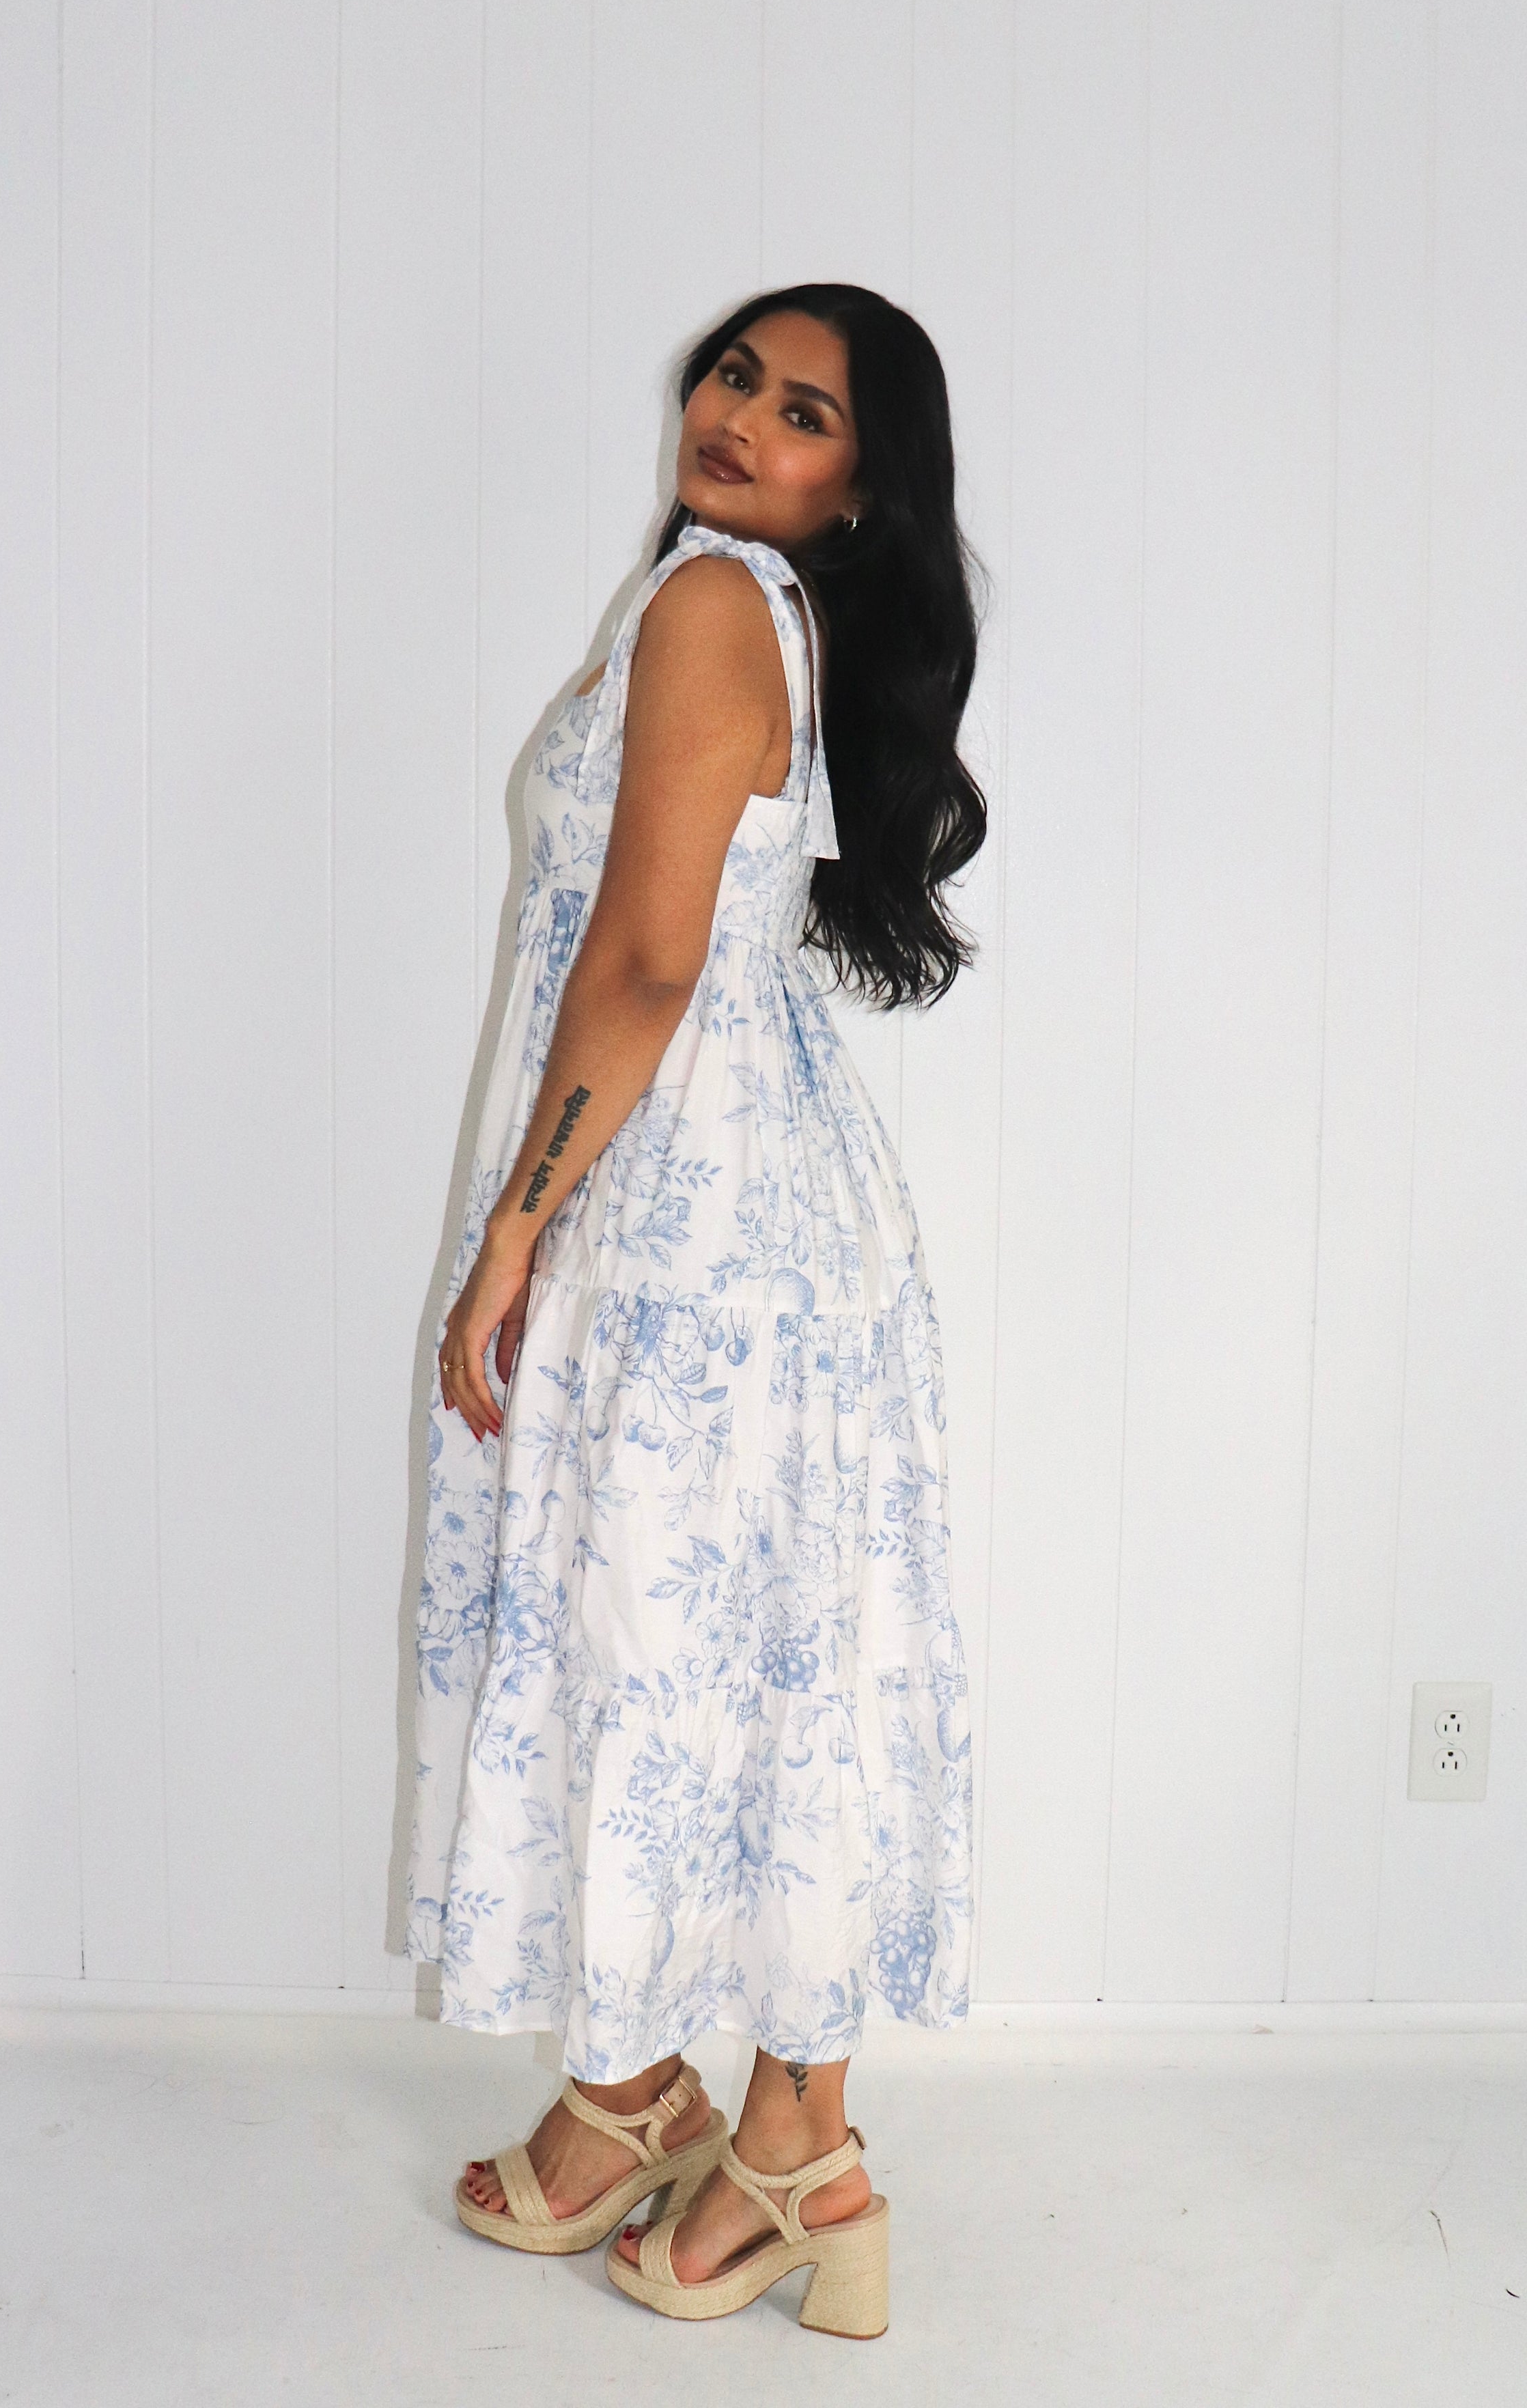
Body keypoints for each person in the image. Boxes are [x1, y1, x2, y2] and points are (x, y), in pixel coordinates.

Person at [404, 282, 988, 2336]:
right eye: (736, 375)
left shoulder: (719, 606)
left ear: (862, 487)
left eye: (805, 410)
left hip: (693, 1218)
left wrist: (515, 1228)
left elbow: (645, 958)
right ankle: (645, 2086)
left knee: (700, 1642)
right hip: (749, 1201)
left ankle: (799, 2146)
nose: (743, 416)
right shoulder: (743, 609)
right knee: (719, 1640)